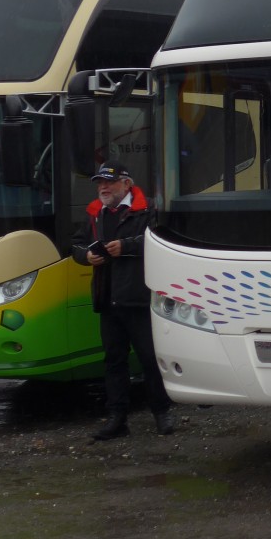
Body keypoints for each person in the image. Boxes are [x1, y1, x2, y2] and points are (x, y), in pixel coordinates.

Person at [72, 160, 174, 440]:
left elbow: (163, 240)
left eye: (109, 182)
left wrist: (127, 246)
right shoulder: (94, 213)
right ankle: (117, 418)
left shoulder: (149, 208)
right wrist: (86, 256)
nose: (103, 187)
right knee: (114, 361)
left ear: (126, 184)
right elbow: (77, 245)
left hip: (139, 298)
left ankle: (162, 413)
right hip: (108, 298)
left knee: (149, 360)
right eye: (99, 183)